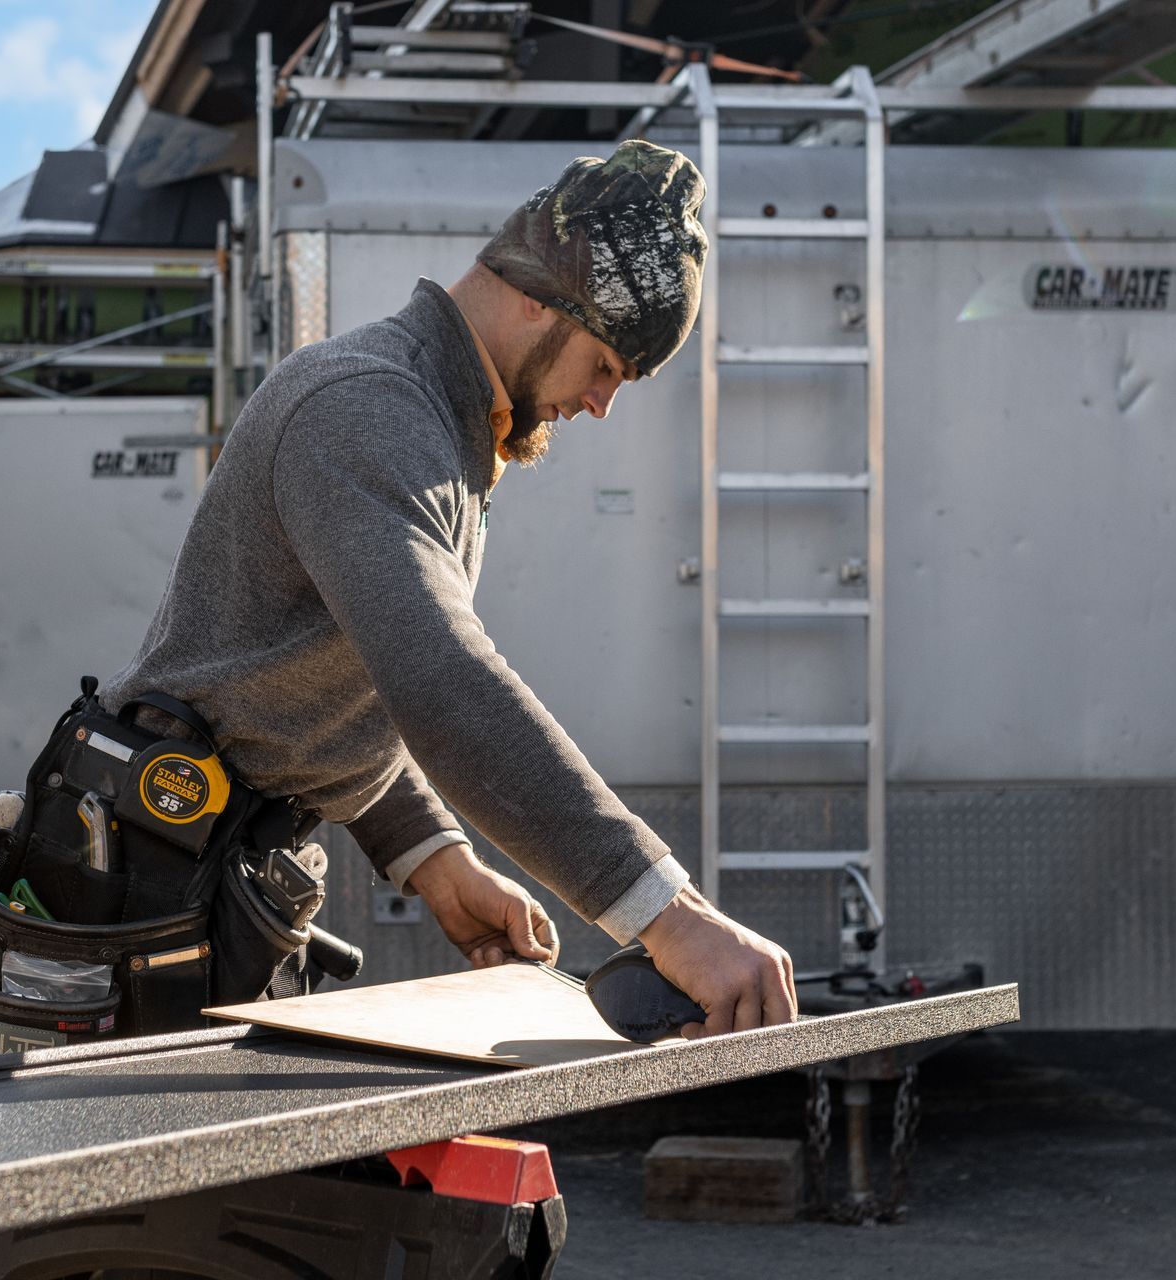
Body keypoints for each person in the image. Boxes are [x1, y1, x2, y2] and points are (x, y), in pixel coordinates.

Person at [101, 139, 796, 1036]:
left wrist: (433, 858)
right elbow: (440, 682)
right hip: (134, 894)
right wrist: (668, 915)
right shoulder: (364, 407)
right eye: (608, 364)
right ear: (538, 297)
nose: (601, 405)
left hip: (200, 882)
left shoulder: (439, 429)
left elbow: (319, 686)